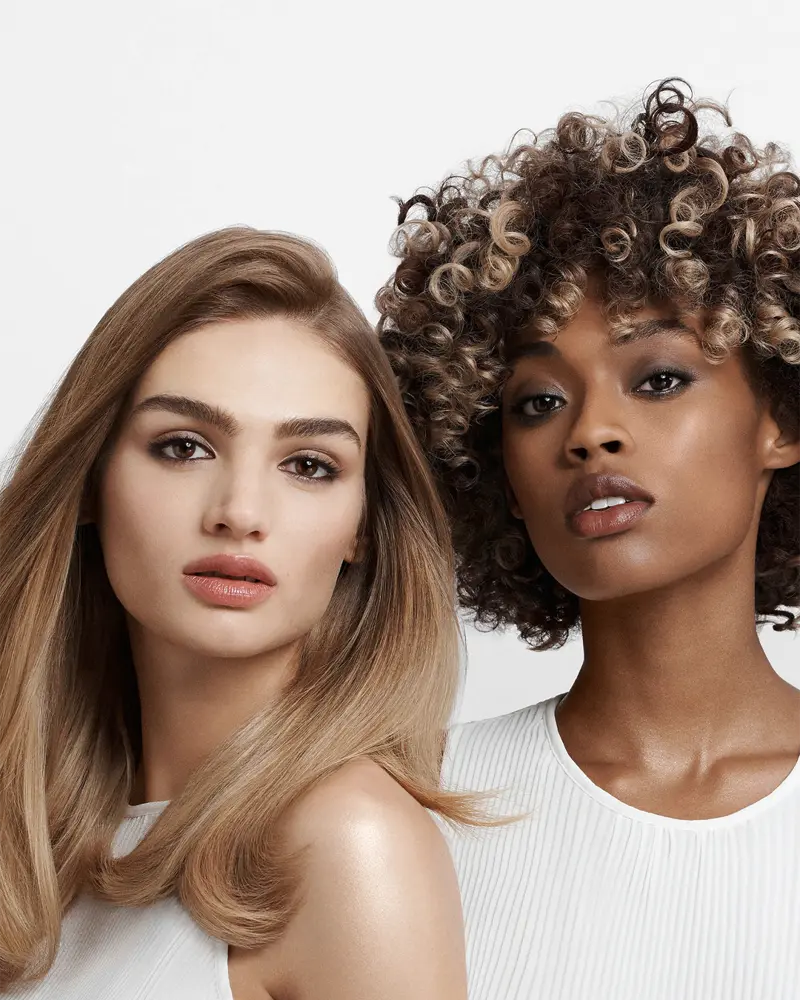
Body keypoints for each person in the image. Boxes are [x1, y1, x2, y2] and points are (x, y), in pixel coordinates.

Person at [377, 79, 800, 999]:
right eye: (537, 402)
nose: (589, 434)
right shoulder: (414, 806)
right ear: (498, 476)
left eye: (656, 380)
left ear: (781, 419)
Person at [0, 227, 475, 999]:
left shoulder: (350, 844)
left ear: (361, 527)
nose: (240, 512)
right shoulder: (42, 846)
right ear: (89, 479)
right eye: (184, 447)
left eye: (308, 465)